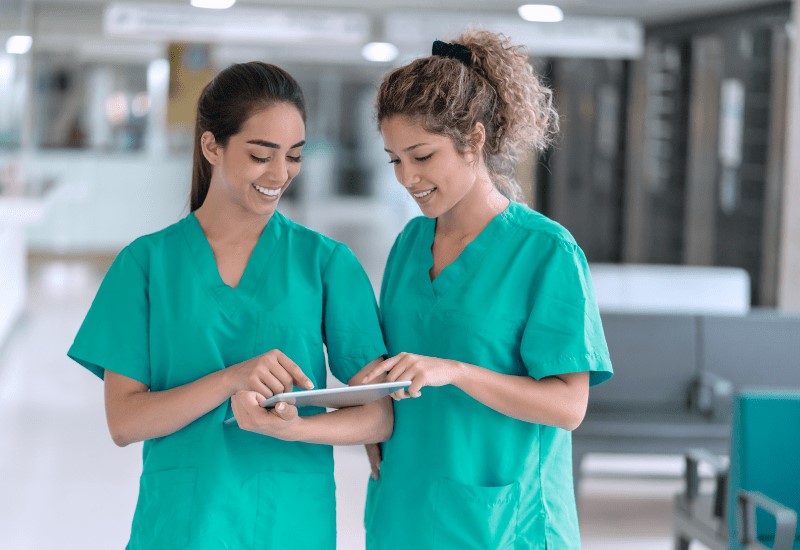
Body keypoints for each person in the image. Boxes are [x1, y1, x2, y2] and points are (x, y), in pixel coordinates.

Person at [67, 61, 391, 550]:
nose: (280, 174)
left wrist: (291, 429)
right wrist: (231, 378)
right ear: (212, 146)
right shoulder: (147, 264)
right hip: (182, 524)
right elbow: (125, 422)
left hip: (290, 520)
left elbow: (378, 415)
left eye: (295, 156)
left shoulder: (326, 264)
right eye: (262, 155)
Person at [360, 31, 614, 549]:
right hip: (405, 505)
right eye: (395, 159)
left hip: (504, 519)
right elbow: (401, 365)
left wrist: (453, 370)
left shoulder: (544, 252)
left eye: (422, 156)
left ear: (474, 140)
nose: (407, 177)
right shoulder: (410, 242)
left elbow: (569, 406)